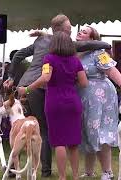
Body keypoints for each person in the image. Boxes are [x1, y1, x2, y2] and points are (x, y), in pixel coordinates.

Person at [3, 14, 112, 177]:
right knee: (72, 142)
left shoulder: (43, 45)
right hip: (70, 100)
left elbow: (25, 59)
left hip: (44, 93)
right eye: (69, 28)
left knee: (41, 131)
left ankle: (39, 170)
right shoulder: (74, 57)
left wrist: (21, 85)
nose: (72, 30)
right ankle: (71, 175)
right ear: (63, 31)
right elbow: (84, 81)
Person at [18, 31, 88, 180]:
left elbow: (45, 78)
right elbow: (84, 82)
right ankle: (75, 176)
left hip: (55, 102)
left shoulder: (48, 58)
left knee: (59, 141)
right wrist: (70, 81)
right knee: (74, 142)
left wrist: (27, 88)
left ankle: (62, 177)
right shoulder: (76, 60)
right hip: (73, 102)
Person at [75, 26, 121, 180]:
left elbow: (111, 70)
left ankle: (107, 172)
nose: (80, 33)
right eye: (79, 31)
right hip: (82, 96)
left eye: (85, 32)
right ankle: (89, 171)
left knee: (100, 133)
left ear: (92, 39)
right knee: (87, 132)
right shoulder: (74, 53)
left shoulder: (99, 53)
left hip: (101, 97)